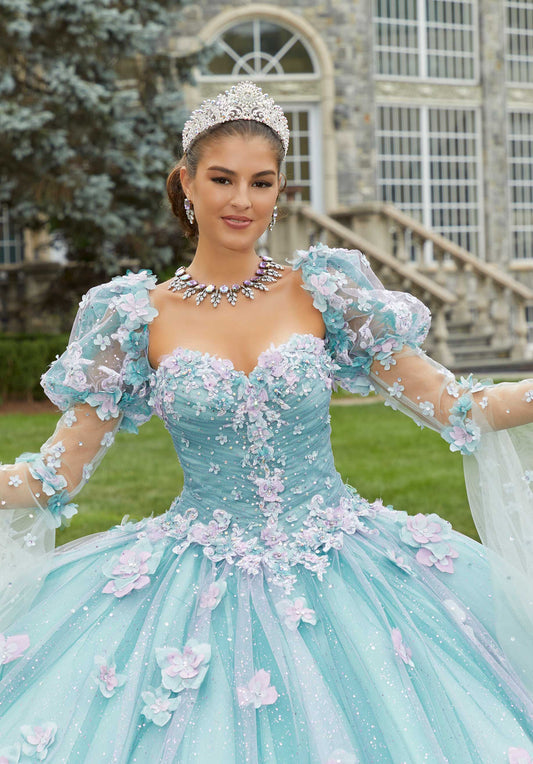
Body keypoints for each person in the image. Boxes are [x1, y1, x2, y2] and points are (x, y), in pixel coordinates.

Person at [0, 81, 532, 763]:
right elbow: (54, 478)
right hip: (198, 580)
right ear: (187, 183)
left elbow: (459, 405)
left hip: (345, 568)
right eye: (222, 179)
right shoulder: (136, 318)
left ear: (280, 190)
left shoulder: (322, 293)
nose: (242, 201)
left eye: (261, 182)